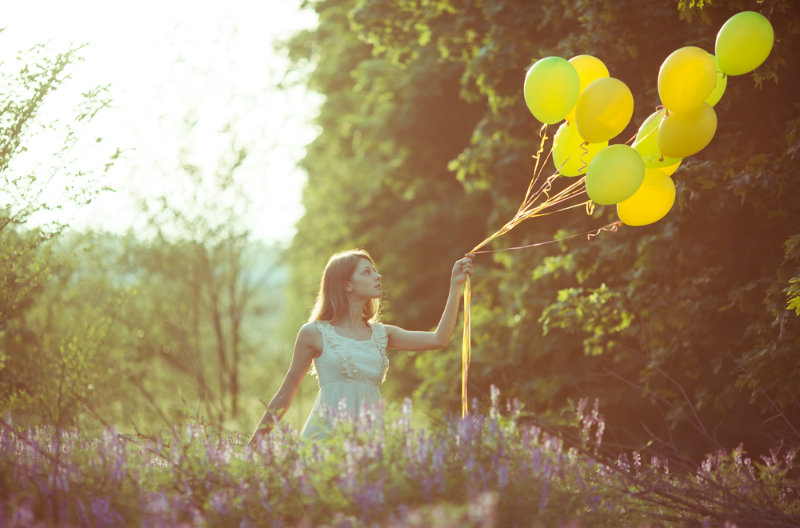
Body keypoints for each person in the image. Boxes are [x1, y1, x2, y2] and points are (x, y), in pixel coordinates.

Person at [247, 249, 473, 444]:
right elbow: (285, 395)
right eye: (367, 272)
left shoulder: (382, 334)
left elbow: (439, 339)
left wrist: (455, 287)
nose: (378, 275)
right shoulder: (313, 333)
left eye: (374, 270)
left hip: (371, 440)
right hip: (325, 439)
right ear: (347, 284)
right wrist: (254, 445)